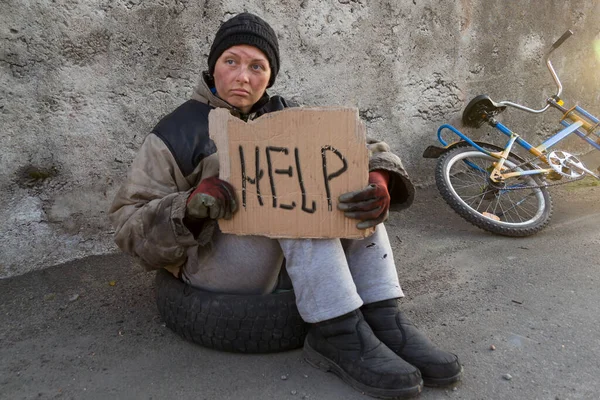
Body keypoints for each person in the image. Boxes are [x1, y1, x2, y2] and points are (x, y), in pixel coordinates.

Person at [109, 12, 462, 399]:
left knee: (350, 188)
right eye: (231, 62)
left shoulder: (288, 116)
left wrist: (378, 179)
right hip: (213, 268)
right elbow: (128, 226)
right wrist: (189, 206)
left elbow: (367, 149)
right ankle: (339, 335)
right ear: (214, 66)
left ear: (270, 77)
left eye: (257, 67)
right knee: (293, 197)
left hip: (285, 263)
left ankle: (384, 318)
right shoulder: (176, 132)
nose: (243, 76)